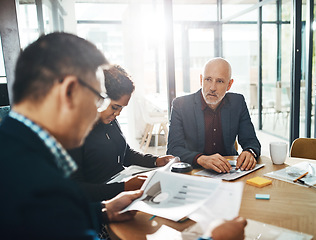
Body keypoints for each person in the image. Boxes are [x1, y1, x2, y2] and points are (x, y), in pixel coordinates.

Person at [0, 32, 143, 239]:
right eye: (97, 98)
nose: (97, 110)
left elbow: (48, 218)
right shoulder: (38, 176)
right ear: (69, 91)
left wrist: (103, 210)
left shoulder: (15, 142)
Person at [68, 65, 173, 202]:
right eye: (115, 107)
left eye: (121, 108)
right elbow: (75, 190)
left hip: (119, 185)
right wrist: (124, 187)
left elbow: (126, 154)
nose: (117, 114)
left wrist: (155, 161)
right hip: (100, 204)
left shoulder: (108, 120)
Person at [167, 57, 261, 173]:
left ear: (229, 84)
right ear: (201, 80)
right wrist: (201, 159)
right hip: (194, 172)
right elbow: (173, 150)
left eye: (220, 81)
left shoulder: (238, 102)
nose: (212, 88)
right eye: (208, 79)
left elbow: (251, 141)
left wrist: (249, 152)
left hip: (229, 172)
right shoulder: (181, 105)